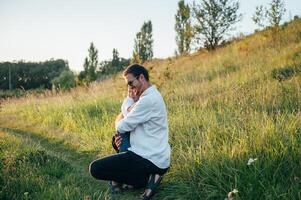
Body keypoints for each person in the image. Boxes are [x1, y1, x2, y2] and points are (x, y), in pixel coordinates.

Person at [89, 64, 171, 200]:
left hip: (149, 158)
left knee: (95, 169)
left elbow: (121, 125)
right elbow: (124, 119)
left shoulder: (148, 100)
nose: (130, 88)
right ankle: (144, 179)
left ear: (142, 78)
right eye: (128, 85)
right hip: (150, 154)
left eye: (131, 83)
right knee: (119, 138)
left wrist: (128, 101)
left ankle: (143, 179)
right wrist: (127, 110)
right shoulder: (147, 97)